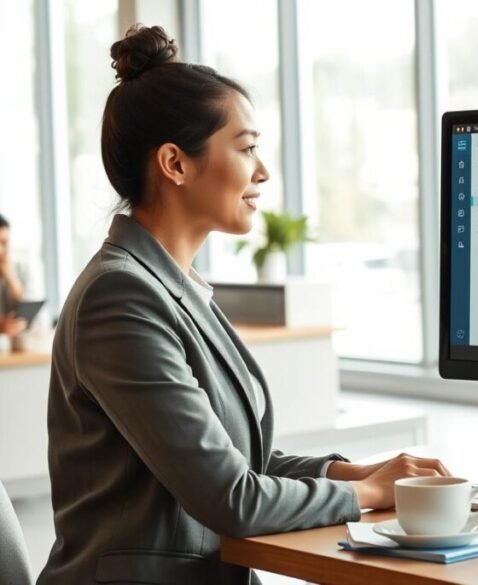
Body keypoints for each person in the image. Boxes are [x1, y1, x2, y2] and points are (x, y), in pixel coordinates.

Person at [37, 25, 449, 585]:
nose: (263, 172)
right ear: (175, 164)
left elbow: (234, 462)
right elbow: (232, 497)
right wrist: (366, 493)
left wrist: (350, 471)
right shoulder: (121, 298)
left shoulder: (172, 286)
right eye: (247, 147)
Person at [0, 213, 28, 342]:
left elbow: (28, 307)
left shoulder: (21, 269)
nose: (0, 250)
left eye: (4, 243)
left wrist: (10, 276)